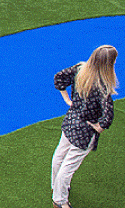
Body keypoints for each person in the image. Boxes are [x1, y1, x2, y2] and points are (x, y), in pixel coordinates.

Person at [51, 44, 117, 207]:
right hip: (85, 131)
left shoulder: (80, 69)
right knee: (68, 167)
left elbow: (59, 78)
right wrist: (98, 127)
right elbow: (108, 116)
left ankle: (55, 187)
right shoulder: (103, 86)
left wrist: (67, 100)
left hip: (71, 121)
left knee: (60, 155)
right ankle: (60, 201)